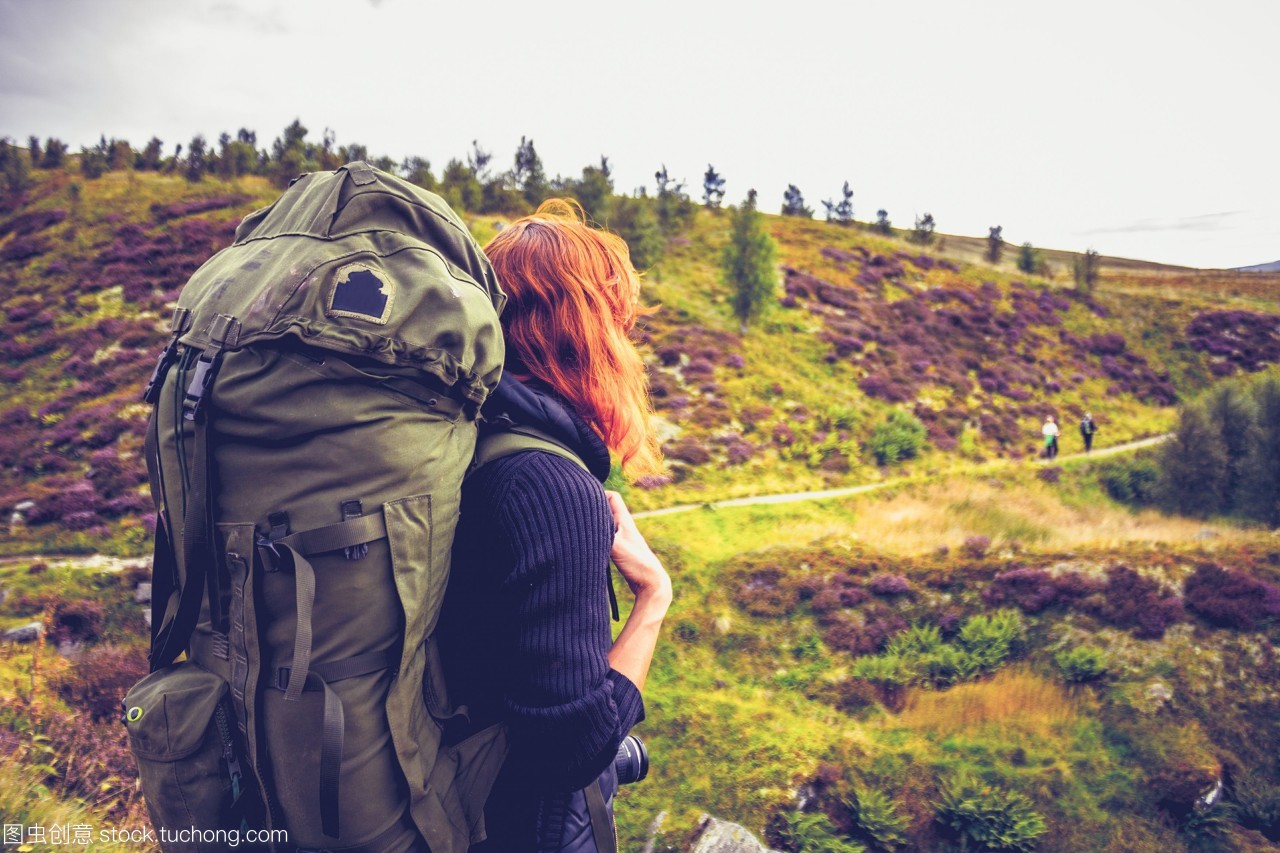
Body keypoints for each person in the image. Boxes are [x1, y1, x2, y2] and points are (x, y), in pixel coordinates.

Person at [437, 199, 671, 852]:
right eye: (620, 322)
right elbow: (572, 749)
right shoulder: (549, 484)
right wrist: (654, 598)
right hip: (511, 829)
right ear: (588, 332)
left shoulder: (469, 440)